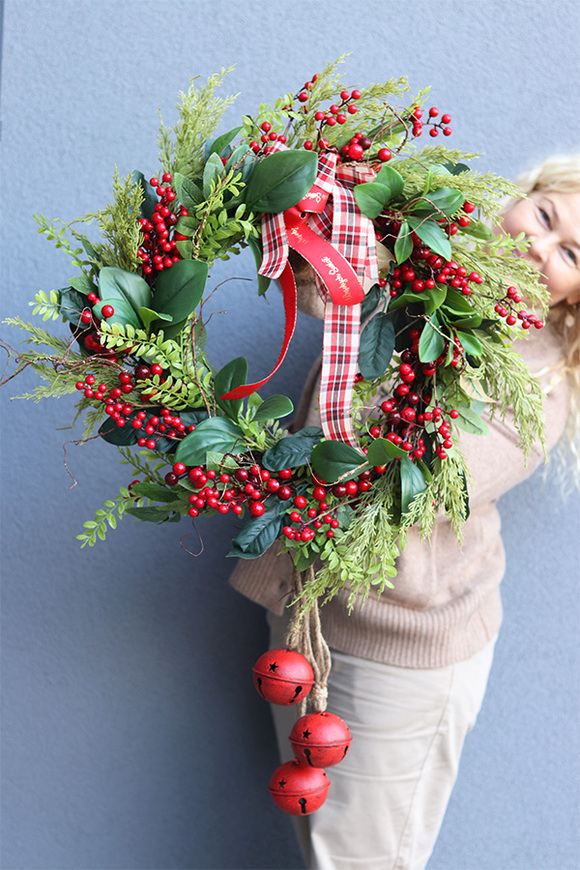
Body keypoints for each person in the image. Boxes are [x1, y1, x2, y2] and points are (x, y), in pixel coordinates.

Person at [229, 155, 580, 870]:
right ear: (522, 198)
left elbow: (404, 479)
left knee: (359, 858)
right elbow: (330, 295)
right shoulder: (433, 264)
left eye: (571, 253)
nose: (539, 248)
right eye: (544, 217)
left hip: (399, 646)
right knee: (322, 839)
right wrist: (320, 254)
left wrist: (378, 308)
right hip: (311, 609)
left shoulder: (536, 390)